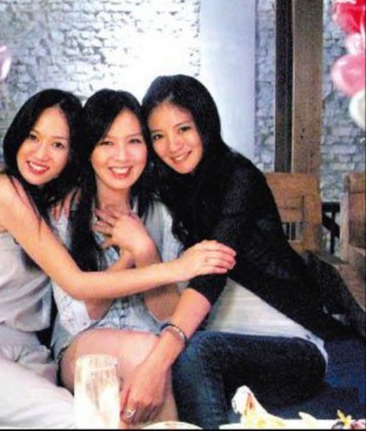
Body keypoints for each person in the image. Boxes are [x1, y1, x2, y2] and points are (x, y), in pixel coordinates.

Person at [0, 88, 236, 428]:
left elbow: (171, 316)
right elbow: (78, 289)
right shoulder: (17, 197)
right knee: (89, 421)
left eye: (58, 145)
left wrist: (143, 249)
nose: (42, 153)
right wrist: (170, 265)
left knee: (113, 402)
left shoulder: (62, 203)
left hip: (30, 358)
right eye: (33, 137)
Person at [105, 74, 346, 429]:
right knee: (181, 355)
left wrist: (155, 362)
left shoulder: (238, 178)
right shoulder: (168, 185)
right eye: (158, 136)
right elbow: (114, 171)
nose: (173, 146)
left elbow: (211, 276)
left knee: (189, 353)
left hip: (293, 348)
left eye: (183, 129)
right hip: (220, 347)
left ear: (204, 124)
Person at [50, 89, 186, 427]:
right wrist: (126, 257)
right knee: (146, 356)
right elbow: (76, 318)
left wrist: (145, 249)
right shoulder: (64, 216)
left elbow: (172, 316)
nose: (122, 156)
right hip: (83, 347)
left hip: (150, 343)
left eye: (134, 141)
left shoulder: (162, 214)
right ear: (89, 150)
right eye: (106, 143)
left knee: (146, 367)